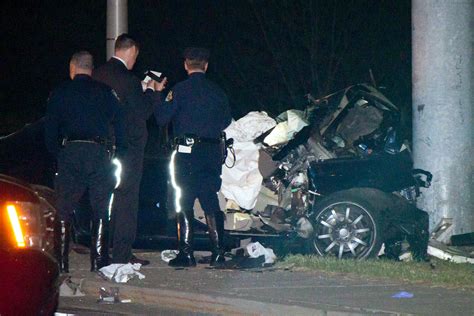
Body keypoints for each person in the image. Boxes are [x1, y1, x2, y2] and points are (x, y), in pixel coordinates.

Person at [44, 51, 126, 272]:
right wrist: (116, 153)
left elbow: (49, 130)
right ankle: (99, 261)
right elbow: (121, 124)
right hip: (98, 152)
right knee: (101, 207)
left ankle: (61, 264)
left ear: (72, 68)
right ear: (91, 69)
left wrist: (59, 154)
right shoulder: (105, 92)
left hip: (71, 151)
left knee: (63, 209)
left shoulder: (60, 93)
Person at [93, 34, 166, 265]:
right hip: (128, 150)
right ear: (131, 51)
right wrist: (152, 90)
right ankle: (122, 253)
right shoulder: (128, 79)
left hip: (102, 147)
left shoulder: (98, 75)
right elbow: (142, 111)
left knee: (102, 199)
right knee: (126, 200)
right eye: (136, 55)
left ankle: (99, 252)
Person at [154, 47, 232, 267]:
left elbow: (161, 118)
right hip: (210, 152)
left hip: (186, 153)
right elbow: (226, 121)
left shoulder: (179, 90)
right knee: (210, 200)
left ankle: (186, 254)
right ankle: (218, 254)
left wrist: (158, 95)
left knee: (185, 199)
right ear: (206, 66)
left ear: (186, 65)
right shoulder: (218, 91)